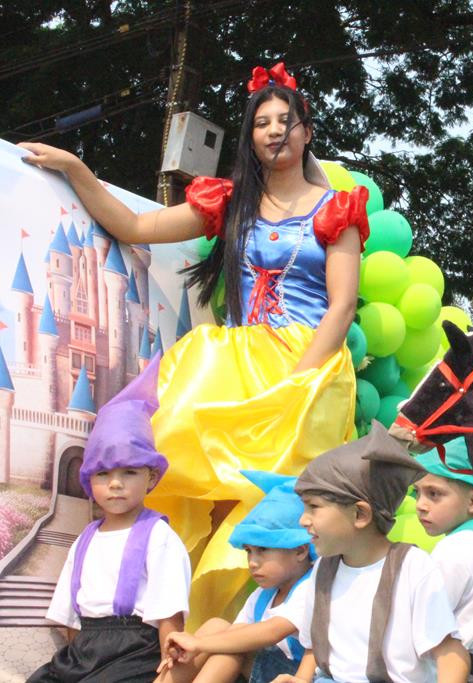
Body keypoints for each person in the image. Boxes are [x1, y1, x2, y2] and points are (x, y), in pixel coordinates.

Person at [19, 61, 367, 621]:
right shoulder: (232, 204)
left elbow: (342, 304)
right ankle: (175, 618)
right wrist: (77, 169)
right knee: (173, 441)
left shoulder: (337, 210)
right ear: (251, 139)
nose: (275, 130)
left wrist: (301, 381)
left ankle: (253, 629)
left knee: (272, 498)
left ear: (306, 131)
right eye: (262, 123)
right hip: (236, 356)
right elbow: (134, 229)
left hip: (310, 363)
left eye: (286, 120)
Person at [29, 359, 191, 683]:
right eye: (103, 474)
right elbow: (70, 618)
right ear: (89, 480)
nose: (115, 484)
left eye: (129, 472)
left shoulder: (158, 536)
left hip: (136, 648)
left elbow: (169, 612)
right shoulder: (85, 539)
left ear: (151, 477)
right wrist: (78, 661)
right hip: (87, 647)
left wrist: (167, 671)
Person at [272, 420, 470, 683]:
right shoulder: (324, 568)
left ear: (360, 514)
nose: (303, 520)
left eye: (313, 507)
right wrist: (300, 679)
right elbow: (314, 649)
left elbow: (450, 653)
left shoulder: (412, 568)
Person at [158, 470, 316, 682]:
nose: (253, 561)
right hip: (264, 673)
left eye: (263, 550)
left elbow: (271, 632)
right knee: (217, 627)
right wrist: (189, 646)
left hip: (294, 676)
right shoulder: (263, 595)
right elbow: (236, 632)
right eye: (249, 551)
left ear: (300, 551)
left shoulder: (312, 586)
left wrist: (198, 644)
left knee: (231, 647)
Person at [412, 438, 473, 683]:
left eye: (434, 494)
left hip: (466, 672)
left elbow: (425, 617)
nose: (420, 505)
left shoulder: (456, 547)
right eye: (416, 492)